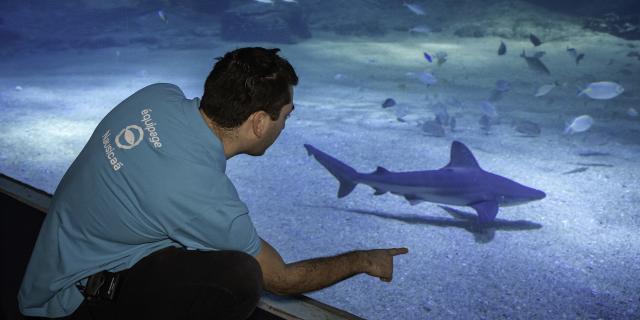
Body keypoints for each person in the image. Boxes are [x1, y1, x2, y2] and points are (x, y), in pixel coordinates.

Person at [18, 47, 409, 320]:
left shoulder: (157, 96)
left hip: (52, 258)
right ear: (258, 122)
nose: (286, 124)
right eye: (286, 116)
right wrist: (363, 259)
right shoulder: (204, 198)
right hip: (67, 299)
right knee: (239, 277)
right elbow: (285, 280)